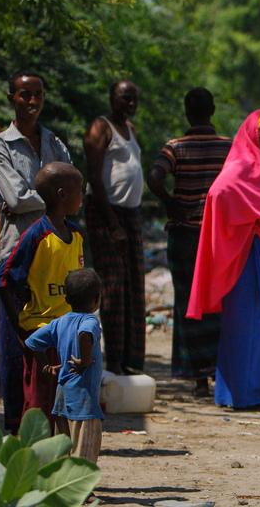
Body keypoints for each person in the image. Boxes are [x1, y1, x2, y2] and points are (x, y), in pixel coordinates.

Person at [187, 110, 260, 409]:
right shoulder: (242, 163)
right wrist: (247, 222)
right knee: (246, 324)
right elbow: (219, 194)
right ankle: (240, 394)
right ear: (251, 133)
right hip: (246, 253)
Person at [0, 72, 72, 428]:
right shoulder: (0, 146)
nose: (32, 102)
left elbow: (68, 189)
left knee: (53, 345)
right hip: (18, 254)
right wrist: (52, 199)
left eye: (38, 94)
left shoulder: (54, 142)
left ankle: (48, 422)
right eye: (25, 95)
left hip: (54, 257)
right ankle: (13, 423)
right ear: (12, 98)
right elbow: (14, 198)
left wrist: (34, 201)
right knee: (16, 342)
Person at [147, 88, 231, 397]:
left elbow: (155, 176)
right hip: (219, 237)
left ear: (186, 113)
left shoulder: (175, 147)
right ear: (213, 110)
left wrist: (169, 201)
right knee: (219, 302)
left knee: (188, 303)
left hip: (185, 234)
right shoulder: (228, 147)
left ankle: (197, 376)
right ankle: (220, 369)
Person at [0, 162, 85, 427]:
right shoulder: (36, 235)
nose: (83, 196)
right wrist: (21, 330)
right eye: (80, 190)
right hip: (43, 335)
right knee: (38, 403)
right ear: (62, 194)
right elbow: (3, 281)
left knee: (66, 403)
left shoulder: (77, 235)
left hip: (69, 335)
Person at [84, 79, 145, 374]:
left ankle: (132, 360)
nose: (129, 103)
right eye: (124, 98)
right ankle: (114, 361)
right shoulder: (101, 128)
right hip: (107, 215)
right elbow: (94, 178)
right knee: (114, 285)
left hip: (131, 214)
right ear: (112, 99)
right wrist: (112, 225)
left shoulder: (131, 130)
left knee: (135, 286)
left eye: (133, 98)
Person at [25, 268, 104, 464]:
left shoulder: (59, 322)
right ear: (96, 299)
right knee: (84, 448)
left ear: (66, 299)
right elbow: (85, 334)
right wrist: (85, 361)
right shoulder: (90, 321)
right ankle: (83, 493)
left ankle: (60, 485)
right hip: (84, 399)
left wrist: (47, 366)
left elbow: (32, 342)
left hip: (62, 396)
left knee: (63, 447)